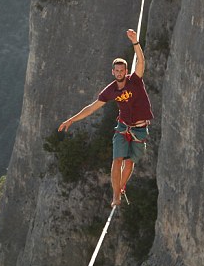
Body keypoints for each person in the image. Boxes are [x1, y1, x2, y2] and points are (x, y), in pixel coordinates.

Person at [58, 30, 154, 207]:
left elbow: (141, 62)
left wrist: (135, 43)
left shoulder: (135, 81)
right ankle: (116, 195)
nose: (119, 73)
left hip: (140, 129)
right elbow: (91, 108)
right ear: (113, 72)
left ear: (126, 71)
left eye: (121, 70)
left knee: (130, 163)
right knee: (117, 160)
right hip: (123, 127)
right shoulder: (110, 90)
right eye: (116, 70)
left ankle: (122, 186)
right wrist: (72, 119)